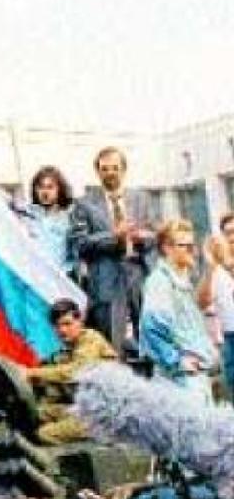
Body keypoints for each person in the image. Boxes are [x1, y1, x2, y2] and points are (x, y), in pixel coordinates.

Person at [70, 147, 157, 358]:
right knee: (111, 344)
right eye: (104, 169)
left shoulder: (141, 199)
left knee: (151, 336)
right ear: (97, 172)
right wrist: (113, 236)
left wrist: (143, 238)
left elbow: (154, 235)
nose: (110, 173)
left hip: (138, 274)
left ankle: (154, 382)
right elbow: (80, 244)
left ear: (124, 170)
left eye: (115, 168)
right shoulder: (84, 204)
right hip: (106, 279)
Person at [140, 219, 217, 403]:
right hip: (178, 379)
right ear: (167, 248)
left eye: (193, 245)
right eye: (185, 246)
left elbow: (202, 304)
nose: (192, 250)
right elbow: (150, 327)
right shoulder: (160, 282)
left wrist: (211, 267)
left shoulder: (182, 280)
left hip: (194, 375)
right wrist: (177, 361)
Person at [24, 299, 117, 445]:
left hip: (102, 416)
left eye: (67, 324)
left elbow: (76, 371)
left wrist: (33, 373)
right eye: (57, 326)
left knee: (45, 434)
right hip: (80, 409)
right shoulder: (64, 354)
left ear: (80, 321)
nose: (62, 330)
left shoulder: (91, 340)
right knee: (34, 415)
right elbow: (52, 389)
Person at [22, 166, 78, 279]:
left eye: (50, 187)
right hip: (33, 281)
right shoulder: (26, 215)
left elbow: (75, 256)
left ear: (60, 189)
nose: (45, 192)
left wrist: (64, 273)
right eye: (41, 187)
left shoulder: (70, 218)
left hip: (59, 282)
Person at [207, 214, 234, 399]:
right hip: (229, 339)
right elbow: (202, 301)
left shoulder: (227, 265)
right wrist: (211, 267)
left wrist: (228, 265)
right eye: (227, 233)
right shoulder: (217, 268)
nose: (231, 237)